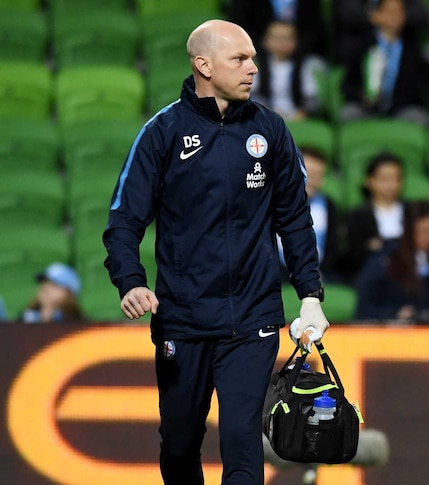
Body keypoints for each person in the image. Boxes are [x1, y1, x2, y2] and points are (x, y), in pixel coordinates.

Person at [103, 20, 330, 485]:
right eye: (240, 59)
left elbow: (295, 220)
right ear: (203, 65)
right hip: (183, 319)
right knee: (181, 444)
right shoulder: (162, 132)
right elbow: (124, 220)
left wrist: (310, 294)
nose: (253, 68)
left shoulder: (272, 131)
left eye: (252, 57)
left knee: (242, 441)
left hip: (254, 318)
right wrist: (131, 282)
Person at [339, 0, 429, 123]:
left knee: (417, 116)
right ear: (375, 15)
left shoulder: (411, 50)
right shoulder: (363, 47)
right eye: (389, 11)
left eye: (399, 12)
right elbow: (347, 85)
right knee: (348, 113)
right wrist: (362, 97)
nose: (394, 16)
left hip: (399, 111)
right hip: (366, 109)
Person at [354, 200, 429, 322]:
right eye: (422, 232)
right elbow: (365, 307)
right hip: (393, 331)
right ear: (409, 231)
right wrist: (395, 313)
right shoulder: (387, 259)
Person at [276, 146, 343, 282]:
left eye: (317, 175)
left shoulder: (329, 205)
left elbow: (333, 248)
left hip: (319, 273)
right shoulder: (273, 201)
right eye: (307, 173)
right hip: (277, 274)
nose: (311, 181)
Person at [339, 151, 407, 282]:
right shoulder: (356, 217)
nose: (390, 185)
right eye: (384, 179)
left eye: (396, 179)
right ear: (369, 181)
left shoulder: (411, 213)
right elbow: (352, 256)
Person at [250, 20, 327, 120]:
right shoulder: (255, 64)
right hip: (266, 114)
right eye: (277, 38)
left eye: (287, 38)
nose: (282, 43)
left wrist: (304, 112)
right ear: (266, 41)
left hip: (299, 116)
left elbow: (312, 98)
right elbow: (253, 95)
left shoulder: (309, 64)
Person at [19, 262, 84, 323]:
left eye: (54, 285)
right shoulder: (25, 318)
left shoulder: (78, 324)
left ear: (69, 293)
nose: (46, 288)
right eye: (44, 282)